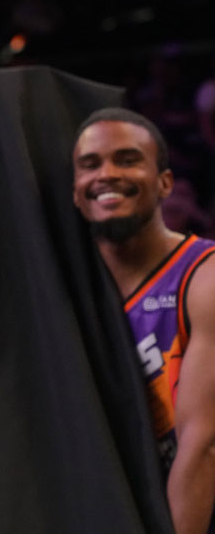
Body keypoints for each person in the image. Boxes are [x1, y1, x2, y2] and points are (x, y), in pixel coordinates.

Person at [72, 108, 215, 534]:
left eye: (128, 159)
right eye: (90, 165)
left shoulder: (203, 275)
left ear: (165, 182)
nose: (107, 174)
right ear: (75, 192)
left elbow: (203, 445)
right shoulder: (69, 295)